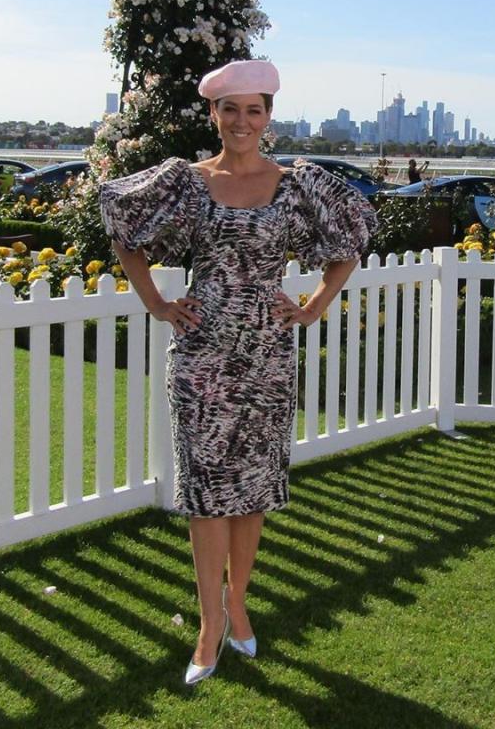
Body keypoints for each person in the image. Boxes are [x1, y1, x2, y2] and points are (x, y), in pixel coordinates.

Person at [100, 60, 376, 686]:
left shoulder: (297, 184)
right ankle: (207, 626)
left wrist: (311, 308)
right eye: (231, 110)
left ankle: (240, 607)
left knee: (251, 490)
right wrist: (156, 302)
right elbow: (123, 226)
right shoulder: (187, 183)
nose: (242, 121)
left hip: (269, 358)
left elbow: (350, 241)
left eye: (255, 110)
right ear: (214, 116)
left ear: (268, 118)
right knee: (205, 495)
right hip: (200, 359)